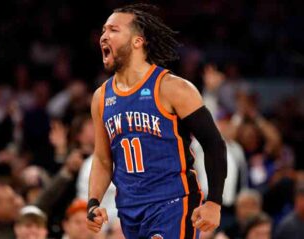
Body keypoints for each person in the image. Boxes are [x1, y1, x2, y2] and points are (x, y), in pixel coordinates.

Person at [86, 3, 227, 239]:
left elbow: (214, 144)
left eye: (113, 30)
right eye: (103, 30)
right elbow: (102, 159)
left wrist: (214, 202)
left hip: (173, 203)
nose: (103, 36)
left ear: (137, 41)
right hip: (129, 210)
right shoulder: (101, 97)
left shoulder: (173, 88)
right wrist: (93, 202)